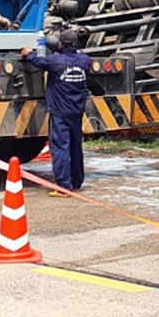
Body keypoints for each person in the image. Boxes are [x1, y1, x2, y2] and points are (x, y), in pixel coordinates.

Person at [21, 29, 91, 195]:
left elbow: (38, 62)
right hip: (76, 111)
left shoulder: (56, 61)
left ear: (60, 43)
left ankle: (63, 186)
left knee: (60, 147)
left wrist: (28, 53)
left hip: (60, 112)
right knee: (75, 146)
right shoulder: (84, 61)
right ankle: (76, 182)